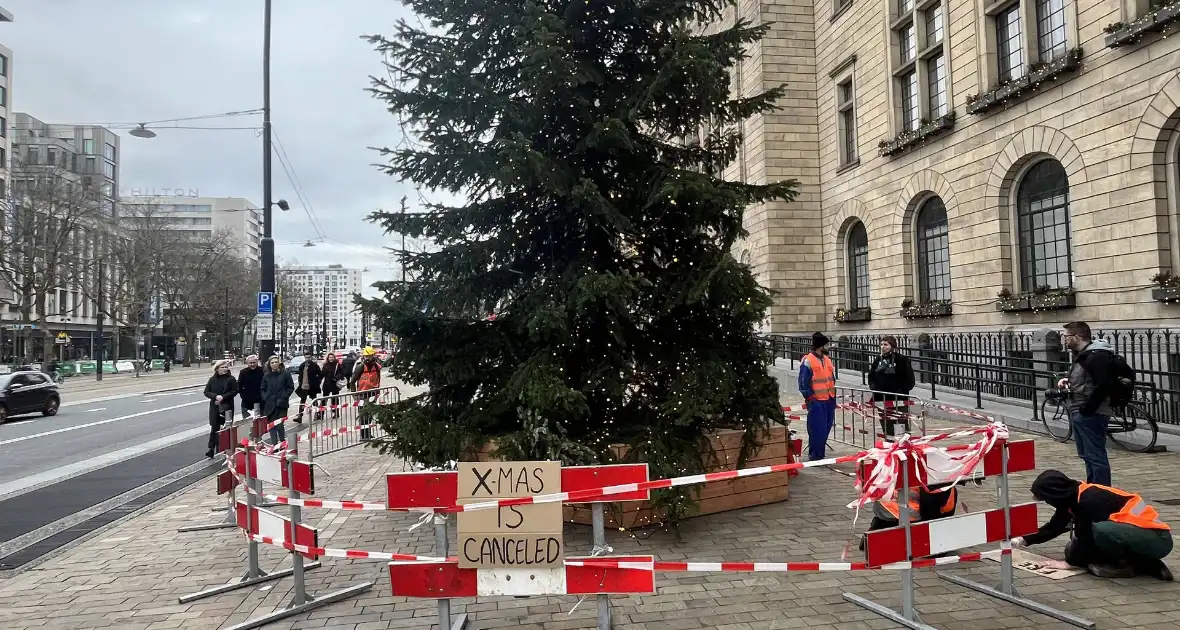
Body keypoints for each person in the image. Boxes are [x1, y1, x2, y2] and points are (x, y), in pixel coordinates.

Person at [1015, 469, 1173, 580]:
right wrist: (1024, 539)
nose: (1048, 503)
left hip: (1158, 539)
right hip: (1139, 536)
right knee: (1075, 549)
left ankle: (1125, 566)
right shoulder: (1074, 497)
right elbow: (1056, 526)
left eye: (1046, 499)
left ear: (1055, 495)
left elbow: (1086, 534)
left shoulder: (1090, 500)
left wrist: (1069, 563)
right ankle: (1147, 563)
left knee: (1098, 532)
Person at [1057, 321, 1115, 485]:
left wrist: (1087, 409)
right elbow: (1086, 380)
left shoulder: (1096, 356)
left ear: (1076, 337)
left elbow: (1103, 385)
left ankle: (1101, 492)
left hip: (1091, 413)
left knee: (1095, 456)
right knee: (1087, 455)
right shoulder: (1084, 354)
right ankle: (1093, 489)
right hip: (1081, 409)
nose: (1065, 340)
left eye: (1066, 337)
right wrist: (1068, 381)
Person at [860, 483, 958, 551]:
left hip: (884, 506)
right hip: (904, 512)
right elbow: (930, 508)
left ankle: (877, 534)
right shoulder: (932, 478)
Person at [867, 336, 916, 438]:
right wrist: (874, 387)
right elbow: (871, 375)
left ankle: (902, 445)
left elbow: (910, 379)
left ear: (892, 346)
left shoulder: (902, 360)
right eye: (881, 344)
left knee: (900, 423)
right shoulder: (878, 359)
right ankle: (889, 444)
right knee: (886, 424)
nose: (883, 347)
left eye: (886, 345)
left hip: (898, 398)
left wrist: (902, 391)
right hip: (881, 398)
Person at [798, 332, 837, 461]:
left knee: (825, 428)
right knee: (817, 429)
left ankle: (820, 454)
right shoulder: (808, 360)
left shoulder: (827, 359)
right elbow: (803, 382)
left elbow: (831, 378)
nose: (829, 346)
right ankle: (815, 455)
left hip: (829, 398)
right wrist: (810, 398)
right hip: (816, 400)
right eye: (826, 344)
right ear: (820, 346)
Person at [203, 360, 239, 458]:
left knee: (226, 427)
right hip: (215, 406)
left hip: (227, 406)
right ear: (217, 369)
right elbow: (206, 392)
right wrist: (215, 396)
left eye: (226, 367)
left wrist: (223, 397)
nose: (224, 369)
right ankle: (211, 448)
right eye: (222, 367)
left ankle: (225, 448)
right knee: (214, 427)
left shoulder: (231, 379)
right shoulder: (212, 379)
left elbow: (235, 391)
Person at [260, 355, 295, 445]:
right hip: (270, 404)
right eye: (272, 362)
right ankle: (274, 444)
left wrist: (284, 396)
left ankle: (282, 442)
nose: (274, 364)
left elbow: (290, 387)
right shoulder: (266, 376)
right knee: (271, 425)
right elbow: (263, 388)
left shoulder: (285, 374)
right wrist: (266, 397)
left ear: (279, 363)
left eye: (276, 362)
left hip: (281, 403)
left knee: (279, 424)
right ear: (269, 364)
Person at [351, 346, 383, 440]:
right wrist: (354, 395)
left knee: (369, 415)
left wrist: (377, 392)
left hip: (373, 393)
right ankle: (363, 435)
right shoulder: (360, 366)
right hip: (362, 394)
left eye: (370, 356)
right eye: (366, 356)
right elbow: (352, 381)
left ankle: (368, 434)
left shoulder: (376, 366)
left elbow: (378, 379)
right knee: (363, 415)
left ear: (373, 355)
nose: (368, 358)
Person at [294, 348, 322, 423]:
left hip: (312, 386)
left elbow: (320, 374)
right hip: (304, 386)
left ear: (311, 357)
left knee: (314, 400)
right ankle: (300, 416)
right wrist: (300, 383)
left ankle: (317, 414)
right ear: (304, 358)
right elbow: (300, 375)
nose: (308, 359)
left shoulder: (314, 365)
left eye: (309, 357)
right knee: (302, 401)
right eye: (306, 357)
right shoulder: (302, 365)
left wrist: (317, 382)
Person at [237, 355, 265, 419]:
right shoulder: (243, 372)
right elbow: (239, 386)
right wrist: (243, 396)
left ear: (257, 362)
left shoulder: (262, 370)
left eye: (254, 362)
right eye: (250, 363)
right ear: (247, 363)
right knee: (248, 424)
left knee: (261, 423)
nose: (252, 364)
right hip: (247, 403)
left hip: (261, 402)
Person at [320, 352, 346, 419]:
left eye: (332, 357)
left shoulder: (337, 365)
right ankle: (321, 413)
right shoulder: (325, 365)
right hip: (327, 384)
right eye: (330, 357)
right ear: (328, 358)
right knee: (324, 399)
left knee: (335, 399)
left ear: (334, 358)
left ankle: (336, 413)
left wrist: (336, 378)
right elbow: (322, 374)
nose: (331, 358)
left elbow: (342, 373)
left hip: (334, 384)